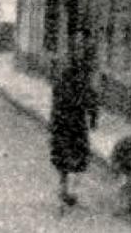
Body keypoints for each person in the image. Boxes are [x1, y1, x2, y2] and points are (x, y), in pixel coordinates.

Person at [48, 34, 99, 208]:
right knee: (70, 154)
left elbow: (89, 95)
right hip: (69, 118)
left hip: (68, 118)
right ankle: (68, 189)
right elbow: (89, 96)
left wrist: (92, 115)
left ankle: (67, 189)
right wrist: (92, 115)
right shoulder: (76, 73)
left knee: (71, 154)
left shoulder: (74, 72)